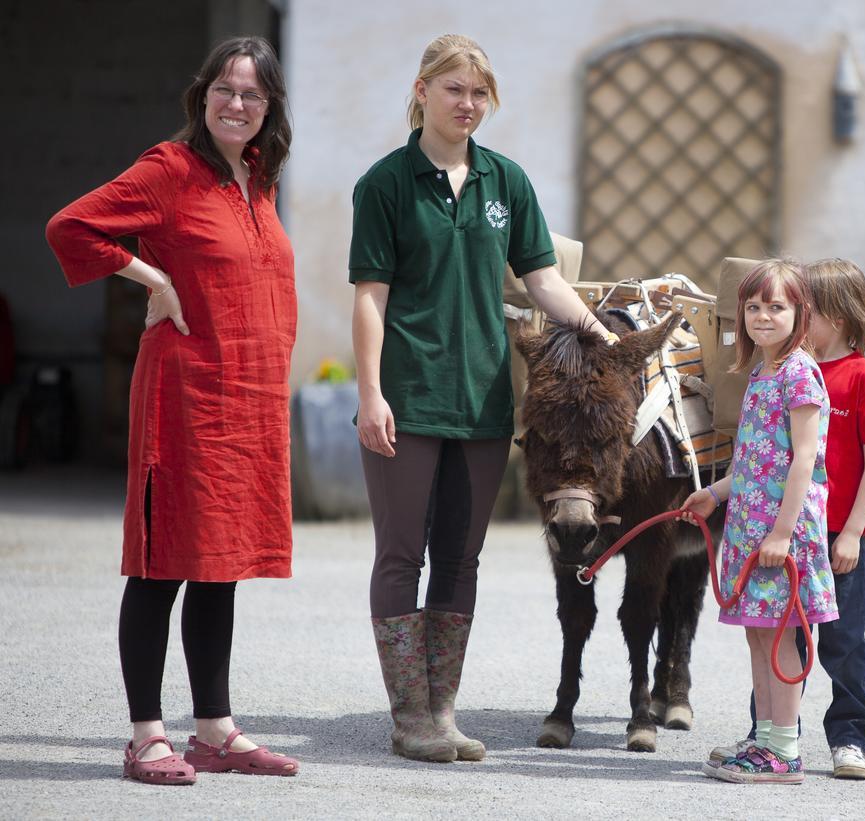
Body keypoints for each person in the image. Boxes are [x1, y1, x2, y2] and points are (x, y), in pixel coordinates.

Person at [349, 34, 615, 764]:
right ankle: (409, 717)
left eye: (478, 93)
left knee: (461, 558)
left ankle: (442, 709)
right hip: (407, 395)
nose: (467, 104)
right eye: (454, 89)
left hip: (485, 401)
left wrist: (605, 339)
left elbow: (543, 281)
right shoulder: (385, 183)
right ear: (423, 89)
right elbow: (370, 298)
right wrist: (370, 392)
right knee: (402, 553)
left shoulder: (506, 182)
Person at [45, 36, 300, 784]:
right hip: (185, 396)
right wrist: (149, 274)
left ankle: (215, 729)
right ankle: (146, 734)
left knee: (219, 563)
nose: (236, 103)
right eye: (224, 88)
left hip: (245, 399)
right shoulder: (169, 169)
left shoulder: (257, 178)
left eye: (252, 94)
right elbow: (72, 226)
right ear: (202, 96)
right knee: (162, 562)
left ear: (269, 109)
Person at [679, 259, 837, 785]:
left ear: (800, 313)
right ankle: (765, 736)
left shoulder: (799, 372)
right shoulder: (761, 372)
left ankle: (785, 750)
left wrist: (784, 533)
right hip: (751, 530)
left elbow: (802, 460)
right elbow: (754, 461)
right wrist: (715, 493)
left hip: (780, 534)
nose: (763, 317)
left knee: (779, 637)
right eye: (754, 307)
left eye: (776, 307)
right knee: (758, 634)